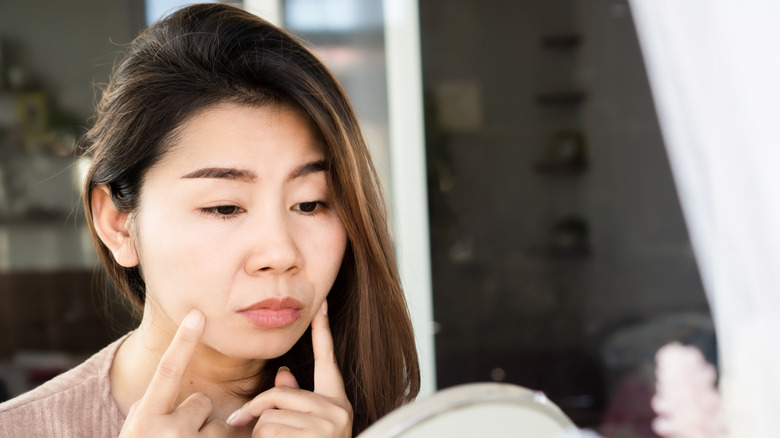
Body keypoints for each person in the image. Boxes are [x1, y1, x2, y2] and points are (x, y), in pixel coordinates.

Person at [0, 3, 420, 437]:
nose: (279, 254)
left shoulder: (405, 425)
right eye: (224, 207)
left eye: (310, 204)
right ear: (118, 222)